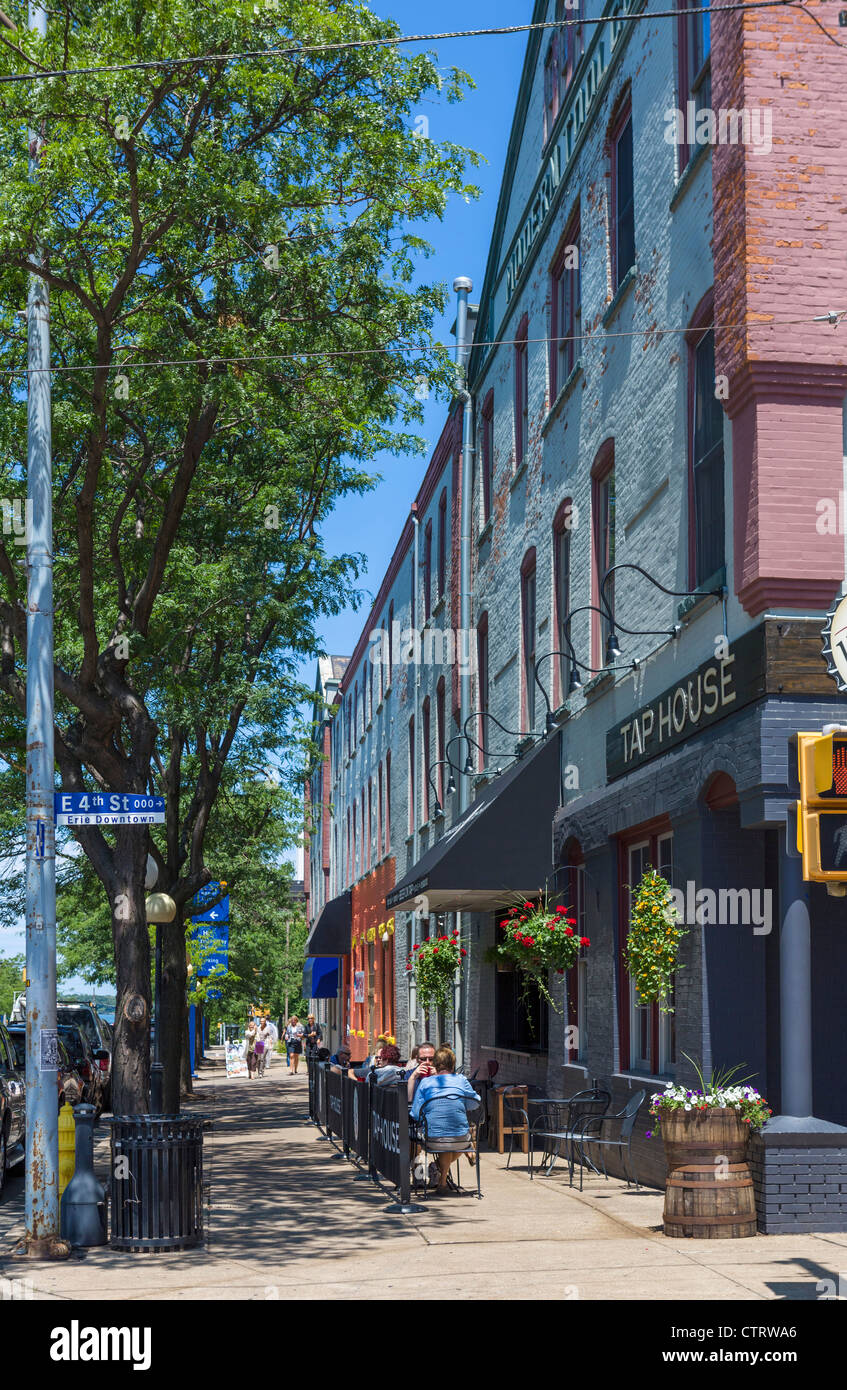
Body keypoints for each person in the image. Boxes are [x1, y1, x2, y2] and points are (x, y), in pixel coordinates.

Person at [410, 1045, 481, 1195]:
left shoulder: (425, 1083)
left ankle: (441, 1179)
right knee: (454, 1139)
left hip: (433, 1140)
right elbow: (475, 1102)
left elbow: (415, 1114)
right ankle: (442, 1178)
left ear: (435, 1064)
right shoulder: (461, 1080)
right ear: (453, 1065)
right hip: (461, 1140)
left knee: (444, 1139)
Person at [406, 1039, 437, 1104]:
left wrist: (437, 1077)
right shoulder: (409, 1075)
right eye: (423, 1059)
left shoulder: (440, 1075)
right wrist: (413, 1077)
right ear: (417, 1059)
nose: (427, 1062)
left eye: (431, 1059)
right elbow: (407, 1101)